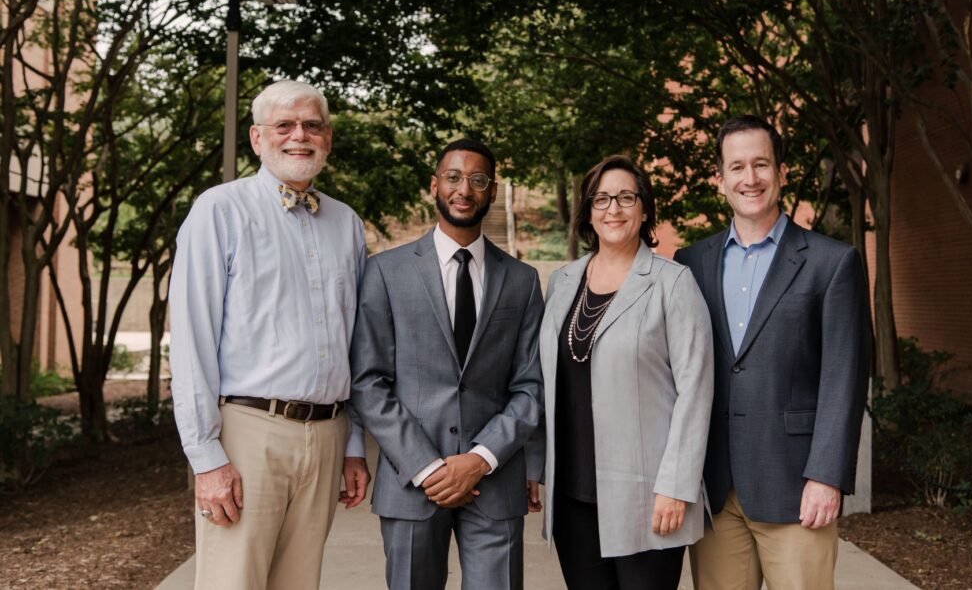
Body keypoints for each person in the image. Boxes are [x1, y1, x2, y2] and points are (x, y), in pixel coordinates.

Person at [169, 80, 371, 589]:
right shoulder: (219, 210)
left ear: (328, 138)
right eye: (284, 125)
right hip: (247, 434)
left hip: (327, 435)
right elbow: (192, 340)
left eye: (312, 125)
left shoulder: (346, 223)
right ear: (257, 138)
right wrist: (206, 458)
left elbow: (357, 343)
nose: (299, 135)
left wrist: (354, 446)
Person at [675, 115, 871, 590]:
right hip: (716, 489)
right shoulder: (690, 263)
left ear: (781, 173)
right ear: (720, 180)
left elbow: (844, 378)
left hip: (796, 487)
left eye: (761, 164)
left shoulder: (832, 262)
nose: (750, 178)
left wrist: (827, 476)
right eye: (737, 166)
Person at [349, 138, 544, 590]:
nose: (464, 190)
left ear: (492, 192)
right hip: (411, 481)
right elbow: (369, 381)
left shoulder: (522, 280)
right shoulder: (385, 272)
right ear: (434, 185)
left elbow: (530, 385)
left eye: (478, 181)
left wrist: (479, 459)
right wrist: (426, 466)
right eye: (454, 178)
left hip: (493, 480)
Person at [533, 155, 714, 590]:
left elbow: (696, 391)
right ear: (588, 211)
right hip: (573, 496)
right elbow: (547, 385)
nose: (613, 208)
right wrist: (534, 468)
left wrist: (676, 488)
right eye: (601, 198)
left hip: (648, 497)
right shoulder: (562, 282)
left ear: (645, 208)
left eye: (626, 197)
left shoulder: (673, 283)